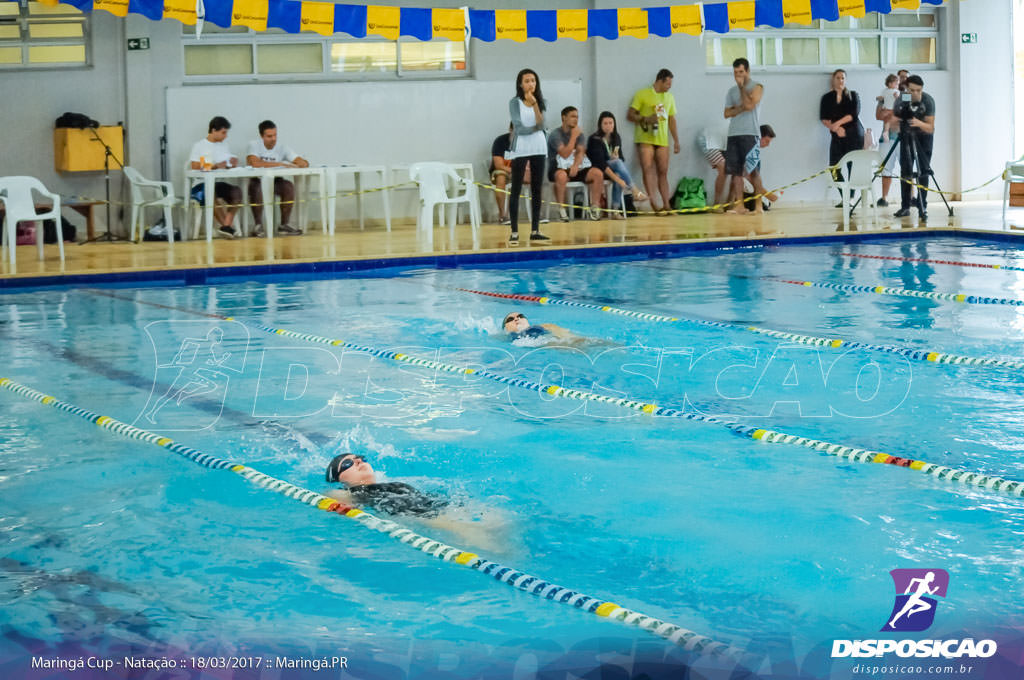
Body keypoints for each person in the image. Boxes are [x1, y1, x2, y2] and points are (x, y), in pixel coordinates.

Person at [325, 453, 508, 552]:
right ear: (340, 479)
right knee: (471, 532)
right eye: (349, 464)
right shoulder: (346, 492)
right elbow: (331, 498)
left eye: (361, 458)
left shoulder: (387, 482)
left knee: (498, 519)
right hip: (416, 514)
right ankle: (501, 555)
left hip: (433, 503)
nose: (358, 461)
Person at [627, 69, 680, 214]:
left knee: (663, 171)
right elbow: (630, 114)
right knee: (647, 168)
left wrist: (676, 140)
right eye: (668, 83)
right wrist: (645, 119)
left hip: (662, 139)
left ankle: (666, 204)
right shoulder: (642, 94)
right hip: (645, 138)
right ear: (660, 80)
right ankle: (653, 203)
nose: (670, 86)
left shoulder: (669, 97)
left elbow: (671, 119)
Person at [245, 120, 308, 237]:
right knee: (256, 188)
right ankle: (258, 225)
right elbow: (255, 163)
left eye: (275, 135)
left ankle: (284, 225)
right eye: (269, 136)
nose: (273, 139)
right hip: (258, 180)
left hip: (276, 181)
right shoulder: (253, 145)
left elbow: (301, 161)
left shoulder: (282, 147)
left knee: (288, 187)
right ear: (261, 136)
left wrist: (301, 162)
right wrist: (282, 164)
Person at [508, 68, 548, 242]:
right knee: (516, 188)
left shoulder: (540, 101)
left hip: (539, 146)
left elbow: (542, 123)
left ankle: (535, 230)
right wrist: (535, 129)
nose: (530, 84)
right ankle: (515, 231)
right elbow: (518, 127)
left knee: (536, 189)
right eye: (527, 81)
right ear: (520, 84)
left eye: (533, 80)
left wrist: (535, 105)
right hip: (522, 147)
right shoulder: (514, 102)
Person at [188, 116, 243, 238]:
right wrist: (215, 166)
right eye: (223, 133)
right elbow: (195, 165)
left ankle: (226, 225)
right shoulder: (199, 146)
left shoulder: (224, 145)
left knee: (236, 192)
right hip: (201, 184)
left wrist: (231, 163)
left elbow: (226, 163)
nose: (225, 136)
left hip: (218, 182)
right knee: (210, 193)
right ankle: (226, 227)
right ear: (214, 130)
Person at [548, 106, 605, 221]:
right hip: (559, 166)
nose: (576, 119)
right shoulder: (555, 135)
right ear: (564, 118)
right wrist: (573, 137)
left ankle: (594, 207)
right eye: (573, 116)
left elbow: (580, 152)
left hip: (576, 166)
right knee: (561, 176)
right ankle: (561, 209)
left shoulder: (580, 134)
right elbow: (564, 153)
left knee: (597, 174)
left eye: (577, 117)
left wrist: (575, 166)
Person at [586, 111, 646, 219]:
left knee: (619, 170)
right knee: (618, 174)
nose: (608, 126)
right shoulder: (594, 139)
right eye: (605, 123)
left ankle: (615, 210)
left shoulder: (616, 137)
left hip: (613, 167)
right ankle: (634, 189)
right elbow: (600, 163)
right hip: (599, 169)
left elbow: (622, 158)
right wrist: (617, 179)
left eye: (611, 123)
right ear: (600, 125)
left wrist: (617, 158)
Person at [723, 58, 764, 216]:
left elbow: (749, 105)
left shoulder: (757, 87)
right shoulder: (731, 91)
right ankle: (739, 204)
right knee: (736, 172)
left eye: (740, 72)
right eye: (735, 73)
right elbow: (727, 113)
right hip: (734, 133)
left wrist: (741, 89)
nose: (737, 75)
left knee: (754, 171)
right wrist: (739, 108)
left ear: (747, 71)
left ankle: (758, 205)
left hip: (750, 133)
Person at [819, 69, 865, 206]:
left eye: (843, 78)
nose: (840, 81)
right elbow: (823, 117)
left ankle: (850, 198)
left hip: (853, 134)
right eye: (838, 78)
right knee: (834, 166)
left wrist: (838, 124)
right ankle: (844, 196)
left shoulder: (852, 95)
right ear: (833, 79)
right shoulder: (827, 97)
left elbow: (853, 114)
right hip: (837, 135)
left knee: (852, 166)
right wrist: (835, 128)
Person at [893, 74, 935, 221]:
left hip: (924, 137)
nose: (915, 93)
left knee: (924, 171)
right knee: (906, 171)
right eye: (912, 90)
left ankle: (922, 205)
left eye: (918, 90)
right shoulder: (904, 98)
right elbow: (896, 115)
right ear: (907, 89)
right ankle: (905, 206)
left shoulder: (928, 101)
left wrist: (918, 123)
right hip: (907, 135)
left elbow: (930, 128)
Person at [740, 124, 779, 213]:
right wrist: (769, 195)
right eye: (767, 141)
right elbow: (751, 179)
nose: (768, 145)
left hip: (749, 188)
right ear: (759, 137)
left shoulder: (755, 154)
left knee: (764, 205)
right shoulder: (750, 151)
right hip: (741, 188)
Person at [875, 74, 900, 207]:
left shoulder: (905, 95)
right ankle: (884, 198)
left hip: (902, 138)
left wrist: (891, 114)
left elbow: (907, 114)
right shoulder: (885, 95)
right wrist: (892, 114)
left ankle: (911, 198)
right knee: (886, 169)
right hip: (887, 138)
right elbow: (879, 115)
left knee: (907, 169)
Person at [490, 124, 520, 225]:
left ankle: (539, 214)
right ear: (510, 129)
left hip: (518, 171)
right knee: (501, 178)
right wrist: (514, 170)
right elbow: (499, 165)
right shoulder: (500, 141)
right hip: (502, 170)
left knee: (537, 178)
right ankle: (503, 215)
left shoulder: (526, 143)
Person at [697, 126, 729, 210]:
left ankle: (721, 203)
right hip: (707, 141)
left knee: (725, 170)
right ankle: (716, 204)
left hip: (715, 142)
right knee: (724, 169)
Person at [502, 311, 573, 342]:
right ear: (505, 328)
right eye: (511, 319)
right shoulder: (509, 337)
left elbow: (568, 337)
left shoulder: (546, 326)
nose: (517, 319)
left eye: (520, 316)